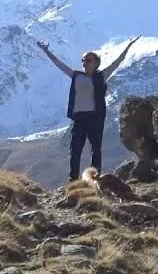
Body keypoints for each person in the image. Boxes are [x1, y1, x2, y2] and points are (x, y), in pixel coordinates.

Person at [37, 36, 141, 181]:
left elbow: (118, 61)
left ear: (96, 63)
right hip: (79, 117)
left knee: (96, 148)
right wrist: (46, 51)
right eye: (83, 60)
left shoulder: (102, 76)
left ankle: (94, 178)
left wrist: (129, 45)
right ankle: (73, 179)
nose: (85, 63)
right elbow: (59, 64)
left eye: (88, 60)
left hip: (95, 117)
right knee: (75, 150)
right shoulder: (76, 75)